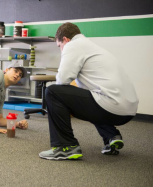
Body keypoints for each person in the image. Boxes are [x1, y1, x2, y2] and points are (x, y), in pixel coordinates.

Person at [39, 22, 139, 160]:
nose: (61, 50)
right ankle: (111, 135)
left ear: (65, 39)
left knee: (53, 92)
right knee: (90, 96)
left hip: (111, 105)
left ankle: (65, 147)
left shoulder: (73, 46)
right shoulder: (92, 47)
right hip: (128, 110)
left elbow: (62, 81)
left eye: (59, 46)